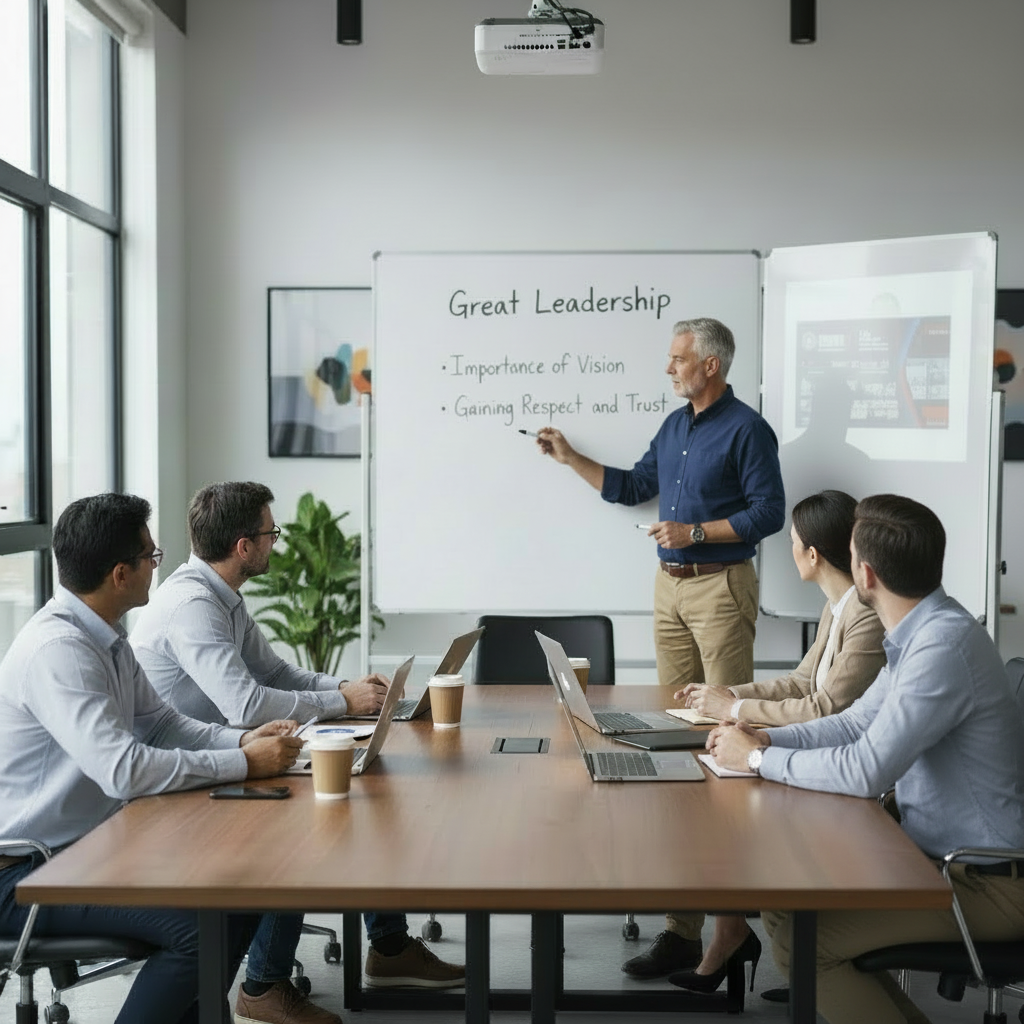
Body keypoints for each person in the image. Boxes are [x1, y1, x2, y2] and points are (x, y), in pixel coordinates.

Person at [0, 493, 324, 1024]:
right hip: (27, 874)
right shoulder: (58, 651)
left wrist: (240, 743)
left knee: (242, 889)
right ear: (120, 573)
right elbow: (124, 769)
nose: (160, 564)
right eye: (151, 556)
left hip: (87, 848)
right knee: (199, 931)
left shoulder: (106, 639)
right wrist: (247, 763)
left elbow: (164, 724)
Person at [131, 481, 465, 992]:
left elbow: (278, 674)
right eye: (271, 533)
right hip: (185, 774)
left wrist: (345, 688)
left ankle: (391, 947)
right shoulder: (192, 606)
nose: (276, 542)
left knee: (368, 793)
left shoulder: (223, 598)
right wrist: (342, 703)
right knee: (301, 825)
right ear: (244, 546)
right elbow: (244, 704)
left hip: (224, 748)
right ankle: (263, 988)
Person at [705, 494, 1024, 1024]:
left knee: (808, 945)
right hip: (944, 864)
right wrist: (764, 740)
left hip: (987, 884)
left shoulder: (941, 648)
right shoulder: (921, 631)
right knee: (784, 910)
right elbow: (854, 724)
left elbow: (865, 769)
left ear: (866, 573)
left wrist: (760, 762)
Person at [539, 317, 786, 973]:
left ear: (711, 366)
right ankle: (681, 930)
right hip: (669, 588)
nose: (669, 368)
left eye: (678, 359)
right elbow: (633, 486)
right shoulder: (675, 427)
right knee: (670, 738)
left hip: (720, 586)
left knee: (721, 745)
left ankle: (728, 929)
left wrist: (697, 534)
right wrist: (571, 459)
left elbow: (770, 513)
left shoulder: (748, 429)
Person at [665, 489, 886, 992]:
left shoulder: (865, 615)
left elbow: (829, 708)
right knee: (719, 802)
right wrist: (724, 695)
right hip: (817, 749)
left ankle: (766, 945)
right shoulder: (838, 606)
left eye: (791, 542)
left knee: (728, 812)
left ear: (812, 554)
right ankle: (736, 936)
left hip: (838, 764)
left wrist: (736, 711)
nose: (788, 551)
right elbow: (801, 682)